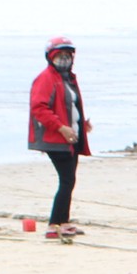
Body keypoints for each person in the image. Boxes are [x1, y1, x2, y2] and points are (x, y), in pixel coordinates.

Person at [28, 35, 90, 239]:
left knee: (69, 180)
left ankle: (63, 222)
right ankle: (54, 225)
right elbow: (39, 108)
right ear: (51, 57)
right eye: (60, 55)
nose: (64, 59)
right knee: (66, 179)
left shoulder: (68, 79)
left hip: (71, 137)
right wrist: (61, 128)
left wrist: (81, 124)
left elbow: (70, 106)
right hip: (55, 139)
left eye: (67, 55)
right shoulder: (45, 78)